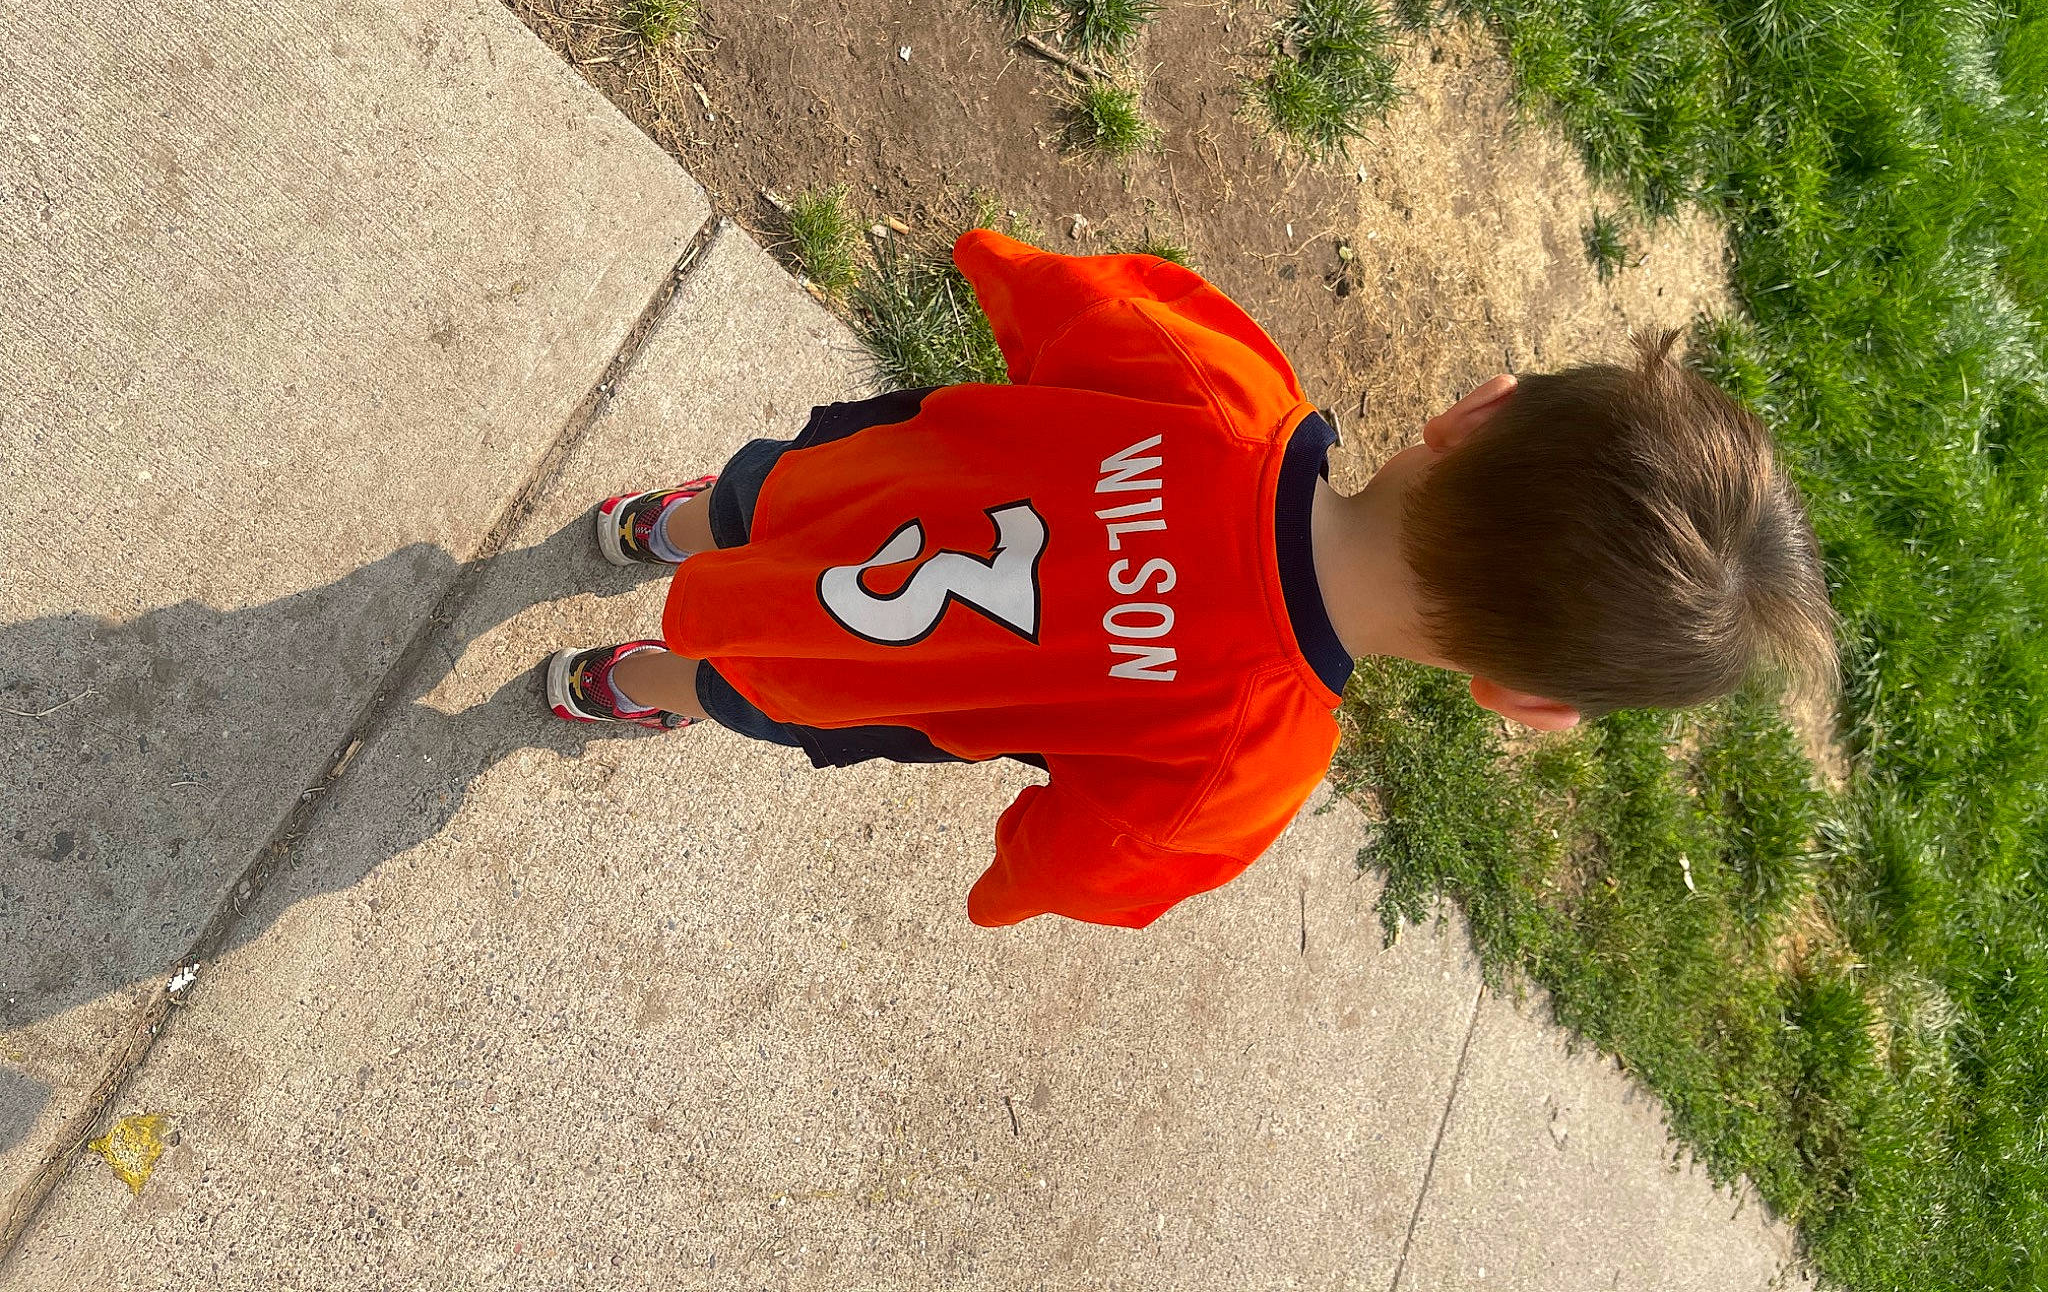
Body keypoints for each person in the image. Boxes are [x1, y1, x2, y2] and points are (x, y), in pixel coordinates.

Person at [545, 229, 1835, 929]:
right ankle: (633, 682)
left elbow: (1049, 297)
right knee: (758, 676)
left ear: (1474, 414)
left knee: (759, 497)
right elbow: (1074, 862)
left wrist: (1001, 286)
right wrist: (1009, 883)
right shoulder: (1244, 769)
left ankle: (662, 527)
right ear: (1521, 700)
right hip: (878, 664)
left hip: (878, 487)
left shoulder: (1226, 380)